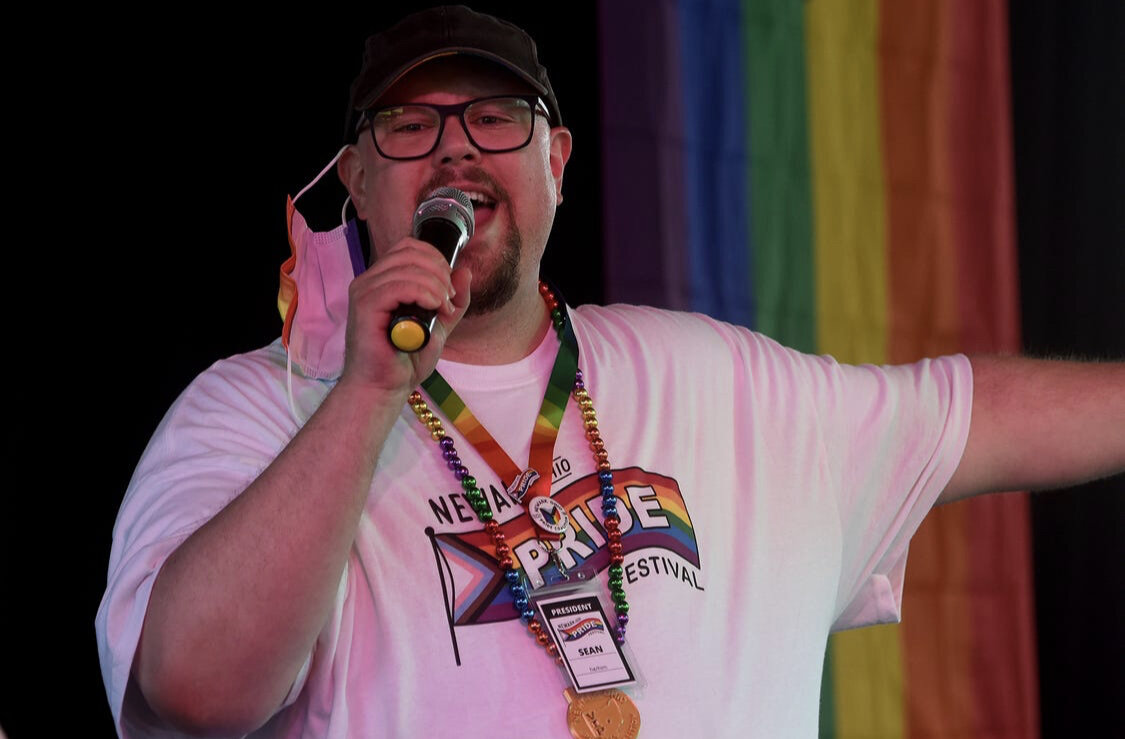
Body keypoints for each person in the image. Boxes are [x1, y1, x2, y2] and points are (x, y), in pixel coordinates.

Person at [96, 6, 1124, 738]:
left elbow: (972, 415)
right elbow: (193, 691)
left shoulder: (715, 378)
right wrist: (367, 391)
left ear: (559, 163)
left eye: (496, 118)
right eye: (409, 126)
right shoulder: (255, 409)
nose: (455, 152)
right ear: (358, 180)